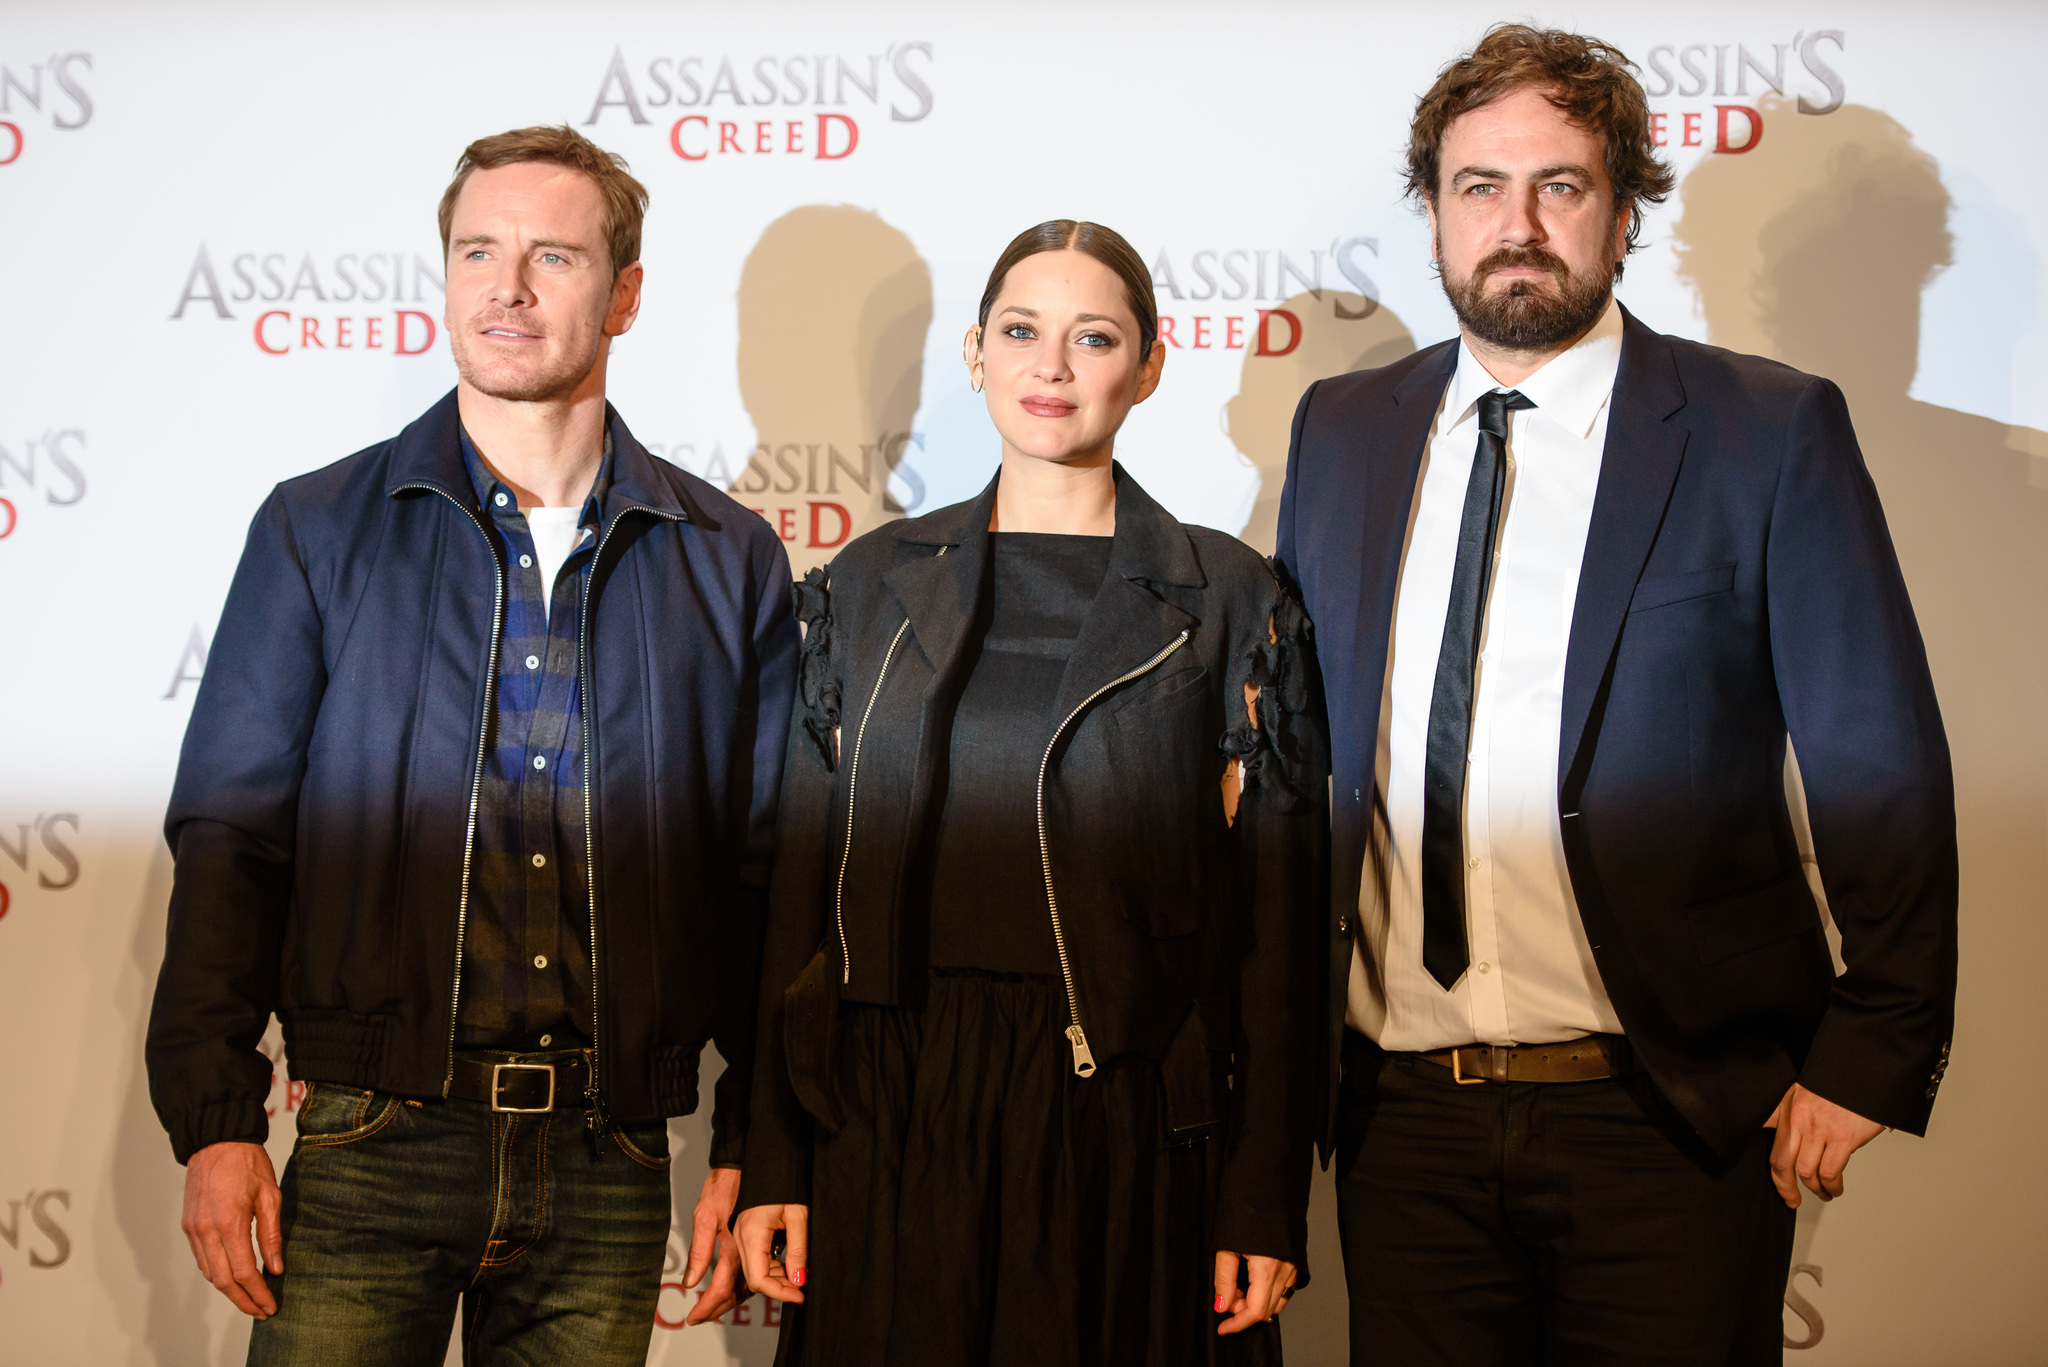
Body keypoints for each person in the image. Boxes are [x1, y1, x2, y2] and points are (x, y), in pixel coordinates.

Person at [1274, 26, 1957, 1365]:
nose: (1516, 225)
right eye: (1480, 186)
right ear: (1430, 211)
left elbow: (1877, 752)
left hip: (1668, 1115)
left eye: (1562, 186)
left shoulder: (1764, 429)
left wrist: (1875, 1038)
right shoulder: (1341, 429)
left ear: (1626, 208)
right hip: (1400, 1122)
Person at [144, 125, 798, 1363]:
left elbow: (763, 880)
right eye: (475, 251)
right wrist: (218, 1114)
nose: (504, 287)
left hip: (610, 1158)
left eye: (551, 255)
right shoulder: (317, 529)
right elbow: (231, 835)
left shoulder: (727, 560)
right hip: (367, 1135)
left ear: (626, 294)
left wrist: (757, 1137)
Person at [734, 220, 1326, 1366]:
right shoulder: (866, 584)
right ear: (974, 354)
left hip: (1126, 1121)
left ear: (1146, 366)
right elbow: (797, 893)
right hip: (889, 1114)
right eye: (1020, 330)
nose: (1050, 366)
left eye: (1091, 336)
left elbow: (1278, 928)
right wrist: (774, 1155)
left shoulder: (1229, 600)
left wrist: (1262, 1193)